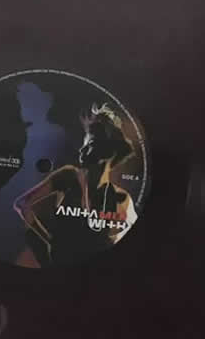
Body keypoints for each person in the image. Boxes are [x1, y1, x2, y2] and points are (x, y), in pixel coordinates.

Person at [13, 103, 138, 267]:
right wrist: (50, 241)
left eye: (89, 144)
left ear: (107, 151)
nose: (81, 150)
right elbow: (23, 205)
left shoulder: (122, 199)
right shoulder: (68, 176)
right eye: (83, 144)